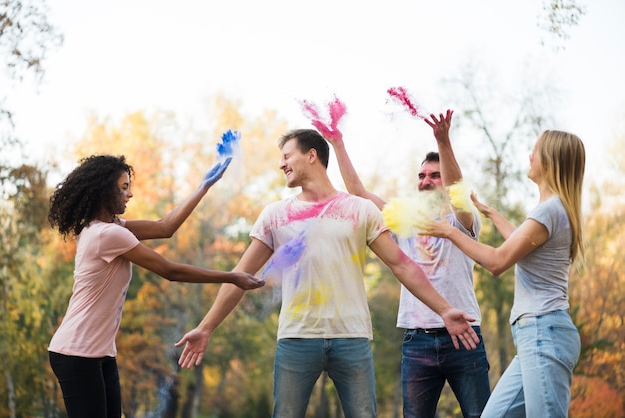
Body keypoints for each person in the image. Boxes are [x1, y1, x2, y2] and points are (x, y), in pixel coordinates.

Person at [175, 128, 481, 418]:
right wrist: (206, 327)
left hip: (352, 338)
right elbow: (238, 276)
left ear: (311, 155)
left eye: (286, 155)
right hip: (296, 338)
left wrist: (444, 310)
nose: (281, 164)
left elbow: (401, 265)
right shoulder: (275, 215)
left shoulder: (360, 210)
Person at [47, 154, 264, 418]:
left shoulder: (107, 227)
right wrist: (232, 276)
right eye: (123, 187)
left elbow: (165, 227)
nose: (130, 194)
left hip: (99, 352)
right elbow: (170, 270)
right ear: (104, 191)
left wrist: (203, 186)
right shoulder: (107, 235)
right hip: (76, 353)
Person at [319, 109, 491, 418]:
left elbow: (457, 194)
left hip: (464, 336)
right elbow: (358, 193)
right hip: (417, 340)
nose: (425, 181)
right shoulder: (403, 221)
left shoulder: (463, 220)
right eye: (422, 176)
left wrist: (443, 141)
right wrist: (337, 143)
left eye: (434, 176)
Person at [419, 129, 585, 417]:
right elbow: (519, 244)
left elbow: (498, 261)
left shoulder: (549, 211)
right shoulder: (552, 210)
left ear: (551, 160)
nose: (530, 156)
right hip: (536, 334)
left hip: (543, 331)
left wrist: (449, 232)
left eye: (536, 150)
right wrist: (492, 213)